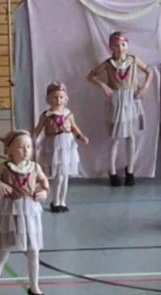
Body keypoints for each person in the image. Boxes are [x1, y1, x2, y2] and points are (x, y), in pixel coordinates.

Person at [0, 130, 50, 295]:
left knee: (33, 251)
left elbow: (44, 181)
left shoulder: (34, 167)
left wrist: (44, 191)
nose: (26, 150)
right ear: (10, 149)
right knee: (4, 250)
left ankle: (34, 286)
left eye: (29, 147)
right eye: (21, 147)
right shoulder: (5, 167)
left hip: (30, 210)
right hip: (11, 211)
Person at [87, 31, 154, 186]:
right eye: (116, 45)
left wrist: (144, 88)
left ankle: (130, 171)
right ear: (111, 47)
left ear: (127, 45)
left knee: (131, 136)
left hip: (132, 99)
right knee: (115, 137)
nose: (120, 48)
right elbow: (90, 76)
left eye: (123, 44)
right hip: (117, 101)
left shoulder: (133, 60)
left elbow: (149, 72)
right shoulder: (108, 64)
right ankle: (112, 172)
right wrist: (103, 86)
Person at [31, 82, 89, 213]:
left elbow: (74, 127)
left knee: (65, 176)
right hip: (54, 146)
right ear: (48, 99)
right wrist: (29, 139)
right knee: (59, 176)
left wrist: (81, 136)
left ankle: (63, 201)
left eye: (61, 97)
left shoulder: (68, 113)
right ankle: (55, 201)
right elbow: (37, 129)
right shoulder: (46, 115)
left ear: (65, 98)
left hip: (67, 144)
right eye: (55, 97)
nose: (58, 100)